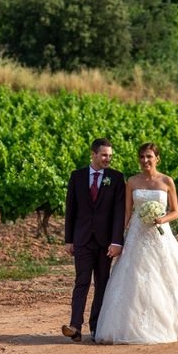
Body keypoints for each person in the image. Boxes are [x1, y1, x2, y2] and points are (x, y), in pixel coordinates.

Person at [94, 142, 178, 344]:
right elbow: (127, 213)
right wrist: (117, 239)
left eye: (149, 157)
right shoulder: (132, 182)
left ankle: (170, 324)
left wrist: (162, 219)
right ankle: (131, 326)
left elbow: (175, 211)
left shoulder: (166, 181)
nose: (145, 161)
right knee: (134, 278)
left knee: (165, 276)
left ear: (157, 159)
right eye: (142, 157)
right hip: (137, 233)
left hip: (159, 235)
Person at [61, 138, 126, 343]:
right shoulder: (77, 176)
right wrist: (68, 239)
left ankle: (97, 327)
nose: (108, 159)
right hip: (82, 239)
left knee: (102, 283)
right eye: (104, 155)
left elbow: (118, 213)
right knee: (81, 281)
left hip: (105, 242)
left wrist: (117, 241)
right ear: (94, 154)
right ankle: (75, 327)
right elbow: (70, 210)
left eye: (110, 156)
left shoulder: (116, 178)